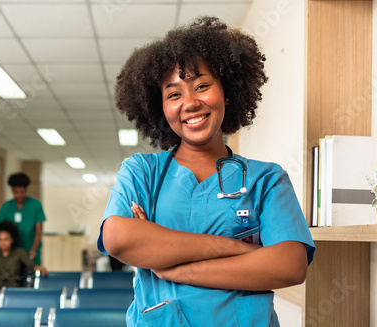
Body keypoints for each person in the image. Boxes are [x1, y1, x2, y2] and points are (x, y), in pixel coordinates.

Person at [97, 16, 315, 326]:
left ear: (227, 92)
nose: (190, 103)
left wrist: (172, 268)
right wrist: (234, 248)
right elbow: (118, 238)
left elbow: (290, 266)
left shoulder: (266, 179)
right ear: (161, 108)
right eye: (174, 94)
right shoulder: (142, 172)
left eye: (202, 86)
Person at [0, 172, 46, 265]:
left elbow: (39, 230)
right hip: (12, 251)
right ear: (12, 191)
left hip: (30, 249)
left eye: (21, 192)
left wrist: (33, 249)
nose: (19, 195)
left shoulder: (35, 205)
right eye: (16, 192)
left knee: (31, 272)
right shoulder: (7, 206)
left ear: (26, 190)